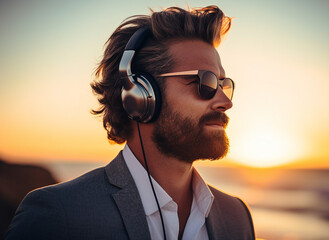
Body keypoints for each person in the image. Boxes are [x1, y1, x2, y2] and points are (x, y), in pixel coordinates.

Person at [6, 5, 255, 240]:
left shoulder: (236, 217)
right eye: (207, 83)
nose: (225, 101)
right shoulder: (57, 215)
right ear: (139, 95)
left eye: (224, 84)